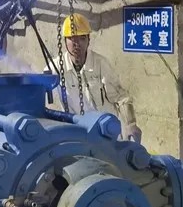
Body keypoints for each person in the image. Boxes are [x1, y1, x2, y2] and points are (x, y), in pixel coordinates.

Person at [59, 12, 142, 142]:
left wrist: (131, 125)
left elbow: (122, 98)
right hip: (77, 137)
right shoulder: (56, 68)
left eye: (82, 38)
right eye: (72, 39)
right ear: (64, 41)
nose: (77, 44)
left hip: (107, 135)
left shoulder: (101, 64)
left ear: (89, 40)